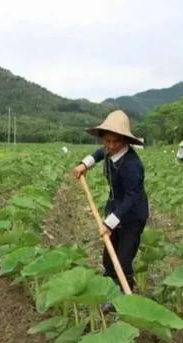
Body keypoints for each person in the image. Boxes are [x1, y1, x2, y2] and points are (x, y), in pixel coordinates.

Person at [72, 110, 149, 299]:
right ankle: (109, 291)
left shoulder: (132, 165)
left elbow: (131, 198)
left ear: (125, 140)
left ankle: (124, 296)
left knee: (123, 260)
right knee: (108, 258)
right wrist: (84, 164)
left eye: (117, 141)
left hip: (132, 216)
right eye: (107, 141)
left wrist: (109, 223)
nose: (112, 146)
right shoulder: (108, 150)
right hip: (115, 208)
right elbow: (99, 153)